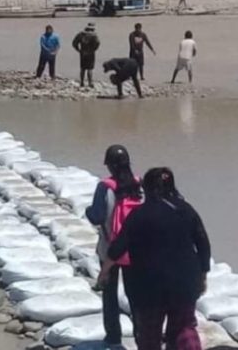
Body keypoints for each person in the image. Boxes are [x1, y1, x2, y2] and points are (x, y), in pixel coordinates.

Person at [102, 167, 211, 350]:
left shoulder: (139, 214)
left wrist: (104, 272)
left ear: (147, 188)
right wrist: (203, 275)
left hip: (149, 288)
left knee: (149, 335)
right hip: (184, 284)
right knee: (183, 328)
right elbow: (203, 245)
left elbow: (117, 248)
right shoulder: (187, 210)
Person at [86, 145, 143, 347]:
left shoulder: (105, 187)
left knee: (109, 296)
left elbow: (96, 216)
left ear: (109, 166)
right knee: (135, 296)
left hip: (110, 249)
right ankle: (141, 336)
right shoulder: (140, 184)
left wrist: (88, 211)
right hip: (135, 251)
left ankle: (113, 338)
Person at [72, 23, 101, 88]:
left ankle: (82, 82)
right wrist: (94, 49)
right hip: (91, 53)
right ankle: (90, 83)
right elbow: (98, 43)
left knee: (82, 68)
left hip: (82, 53)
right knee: (90, 69)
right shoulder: (94, 35)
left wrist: (78, 50)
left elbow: (74, 43)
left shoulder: (80, 34)